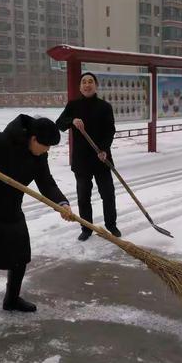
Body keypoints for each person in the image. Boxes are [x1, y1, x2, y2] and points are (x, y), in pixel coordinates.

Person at [0, 114, 72, 335]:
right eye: (44, 145)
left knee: (20, 253)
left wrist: (62, 203)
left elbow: (46, 182)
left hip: (10, 205)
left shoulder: (39, 156)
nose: (46, 150)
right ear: (32, 138)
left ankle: (11, 299)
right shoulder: (1, 141)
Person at [56, 72, 121, 241]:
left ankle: (111, 225)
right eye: (84, 82)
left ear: (96, 85)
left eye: (90, 82)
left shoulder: (105, 106)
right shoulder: (73, 105)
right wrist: (72, 121)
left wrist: (104, 149)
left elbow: (110, 130)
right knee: (83, 196)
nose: (87, 84)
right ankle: (86, 228)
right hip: (82, 160)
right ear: (80, 86)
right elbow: (59, 123)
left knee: (108, 194)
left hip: (101, 157)